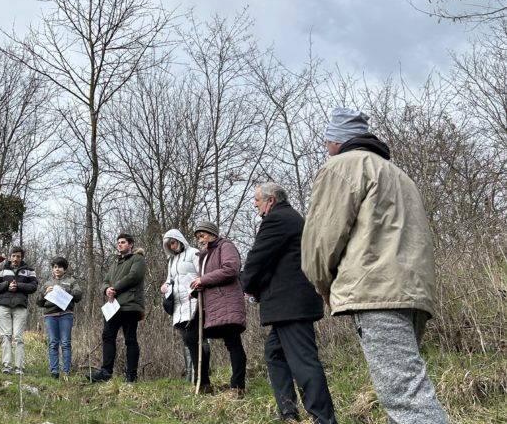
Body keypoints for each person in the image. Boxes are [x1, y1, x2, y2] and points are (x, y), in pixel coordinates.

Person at [301, 108, 450, 423]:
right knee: (404, 392)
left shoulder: (342, 166)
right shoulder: (399, 175)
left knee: (406, 398)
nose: (326, 147)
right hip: (413, 292)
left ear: (335, 141)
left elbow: (322, 239)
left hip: (377, 291)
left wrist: (322, 285)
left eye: (327, 141)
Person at [240, 182, 336, 423]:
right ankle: (288, 412)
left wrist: (247, 285)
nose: (255, 204)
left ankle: (324, 419)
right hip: (289, 304)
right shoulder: (290, 218)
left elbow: (258, 258)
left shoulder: (278, 219)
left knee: (303, 362)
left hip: (290, 305)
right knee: (275, 354)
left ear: (270, 200)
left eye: (257, 200)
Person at [189, 221, 247, 398]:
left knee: (232, 342)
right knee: (192, 336)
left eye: (203, 235)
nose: (200, 240)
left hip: (226, 303)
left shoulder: (225, 246)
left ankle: (237, 387)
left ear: (212, 234)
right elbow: (207, 279)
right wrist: (197, 287)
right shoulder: (205, 254)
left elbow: (231, 269)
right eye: (198, 237)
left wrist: (203, 280)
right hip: (209, 304)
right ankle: (204, 383)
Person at [89, 233, 146, 383]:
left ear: (131, 244)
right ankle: (106, 372)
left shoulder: (138, 259)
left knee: (130, 340)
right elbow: (105, 281)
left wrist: (115, 288)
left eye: (123, 242)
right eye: (118, 242)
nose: (119, 244)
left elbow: (134, 276)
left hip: (130, 306)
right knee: (107, 336)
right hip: (113, 307)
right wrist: (106, 289)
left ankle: (131, 376)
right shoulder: (115, 263)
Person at [159, 229, 206, 384]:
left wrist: (196, 286)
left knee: (195, 339)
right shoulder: (171, 261)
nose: (172, 247)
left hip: (193, 301)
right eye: (169, 245)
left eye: (173, 242)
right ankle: (191, 375)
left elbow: (203, 274)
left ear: (179, 240)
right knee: (186, 340)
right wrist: (164, 287)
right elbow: (169, 280)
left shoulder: (194, 253)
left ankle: (202, 375)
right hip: (177, 306)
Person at [0, 246, 38, 374]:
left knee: (18, 337)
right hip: (4, 305)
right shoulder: (1, 269)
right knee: (5, 336)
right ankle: (6, 366)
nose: (15, 258)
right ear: (10, 256)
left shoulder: (29, 270)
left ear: (22, 257)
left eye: (18, 256)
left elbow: (33, 287)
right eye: (13, 256)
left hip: (20, 306)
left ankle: (19, 367)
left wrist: (18, 286)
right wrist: (7, 285)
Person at [36, 256, 83, 380]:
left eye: (60, 267)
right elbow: (38, 302)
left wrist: (66, 291)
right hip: (50, 315)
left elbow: (79, 295)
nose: (57, 269)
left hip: (66, 314)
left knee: (66, 343)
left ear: (65, 269)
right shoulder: (47, 283)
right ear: (52, 269)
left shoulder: (71, 281)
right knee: (53, 343)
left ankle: (66, 371)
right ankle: (54, 372)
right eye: (55, 267)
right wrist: (45, 293)